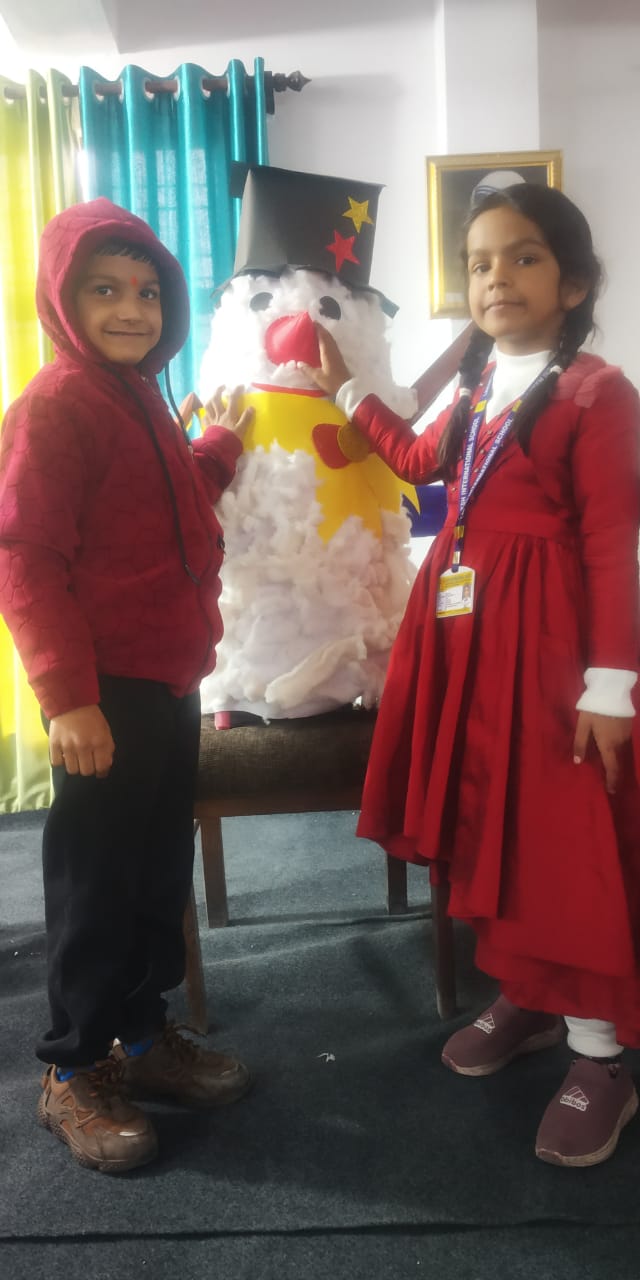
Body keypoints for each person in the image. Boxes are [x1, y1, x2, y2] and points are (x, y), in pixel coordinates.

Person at [305, 182, 640, 1169]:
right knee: (488, 816)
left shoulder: (598, 393)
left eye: (523, 256)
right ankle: (529, 996)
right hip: (467, 636)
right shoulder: (482, 378)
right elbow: (418, 458)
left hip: (551, 648)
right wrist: (347, 393)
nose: (497, 277)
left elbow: (614, 543)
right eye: (480, 262)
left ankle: (600, 1055)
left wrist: (609, 686)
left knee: (560, 835)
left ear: (572, 282)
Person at [0, 198, 255, 1174]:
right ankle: (74, 1067)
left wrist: (219, 448)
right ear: (62, 299)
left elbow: (170, 500)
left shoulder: (141, 395)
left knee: (154, 872)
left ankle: (143, 1038)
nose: (131, 309)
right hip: (102, 694)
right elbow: (25, 556)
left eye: (148, 292)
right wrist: (68, 697)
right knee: (96, 881)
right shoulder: (55, 405)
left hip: (170, 682)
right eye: (104, 289)